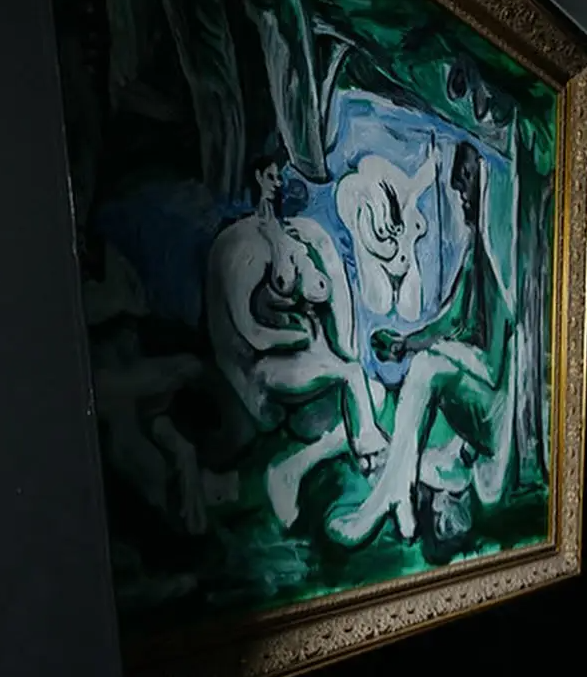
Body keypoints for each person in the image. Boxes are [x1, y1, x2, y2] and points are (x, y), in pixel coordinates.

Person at [327, 141, 513, 547]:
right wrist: (405, 345)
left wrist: (436, 352)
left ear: (486, 183)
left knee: (429, 367)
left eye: (467, 181)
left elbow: (493, 366)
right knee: (425, 364)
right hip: (474, 405)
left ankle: (390, 497)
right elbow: (450, 319)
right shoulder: (474, 251)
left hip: (495, 415)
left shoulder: (500, 260)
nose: (461, 195)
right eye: (459, 184)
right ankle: (399, 493)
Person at [207, 156, 388, 528]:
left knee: (376, 394)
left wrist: (310, 257)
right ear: (258, 177)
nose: (278, 181)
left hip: (313, 362)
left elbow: (326, 295)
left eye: (280, 174)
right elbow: (251, 333)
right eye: (271, 174)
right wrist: (298, 335)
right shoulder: (240, 245)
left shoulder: (299, 234)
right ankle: (370, 453)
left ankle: (293, 467)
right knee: (353, 376)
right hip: (268, 370)